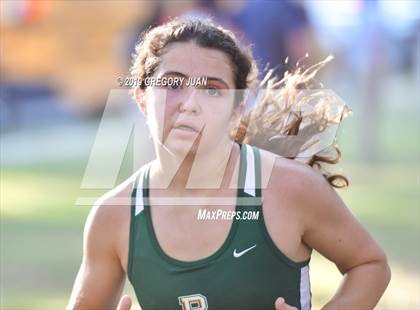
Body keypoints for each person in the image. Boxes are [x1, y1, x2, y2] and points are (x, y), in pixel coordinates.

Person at [67, 19, 391, 310]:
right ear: (141, 97)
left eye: (212, 90)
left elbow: (370, 265)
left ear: (236, 110)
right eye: (173, 85)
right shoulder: (114, 216)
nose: (190, 104)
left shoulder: (290, 188)